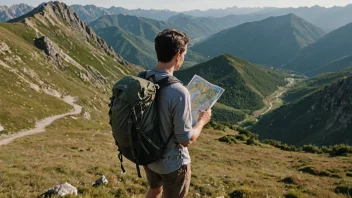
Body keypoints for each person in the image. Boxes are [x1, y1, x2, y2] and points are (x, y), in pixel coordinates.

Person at [142, 29, 212, 198]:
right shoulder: (178, 91)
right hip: (172, 163)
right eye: (184, 54)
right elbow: (185, 139)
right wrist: (202, 121)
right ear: (178, 55)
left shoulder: (143, 77)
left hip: (148, 155)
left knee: (154, 190)